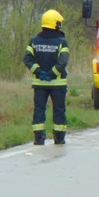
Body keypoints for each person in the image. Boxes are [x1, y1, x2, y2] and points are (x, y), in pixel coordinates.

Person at [23, 9, 69, 145]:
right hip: (58, 84)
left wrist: (39, 72)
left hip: (40, 84)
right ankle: (59, 138)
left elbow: (27, 59)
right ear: (56, 24)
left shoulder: (34, 41)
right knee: (59, 110)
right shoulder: (62, 41)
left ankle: (39, 139)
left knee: (39, 110)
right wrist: (53, 73)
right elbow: (63, 60)